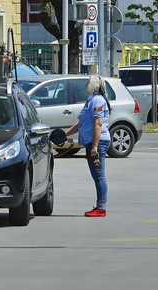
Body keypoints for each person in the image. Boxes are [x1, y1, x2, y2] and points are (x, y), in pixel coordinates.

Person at [64, 74, 111, 217]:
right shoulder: (92, 100)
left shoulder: (97, 100)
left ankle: (101, 208)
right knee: (97, 175)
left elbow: (98, 124)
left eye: (87, 83)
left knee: (99, 176)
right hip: (92, 142)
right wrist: (64, 135)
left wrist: (95, 147)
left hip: (97, 142)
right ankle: (100, 206)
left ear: (94, 85)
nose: (85, 86)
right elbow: (81, 124)